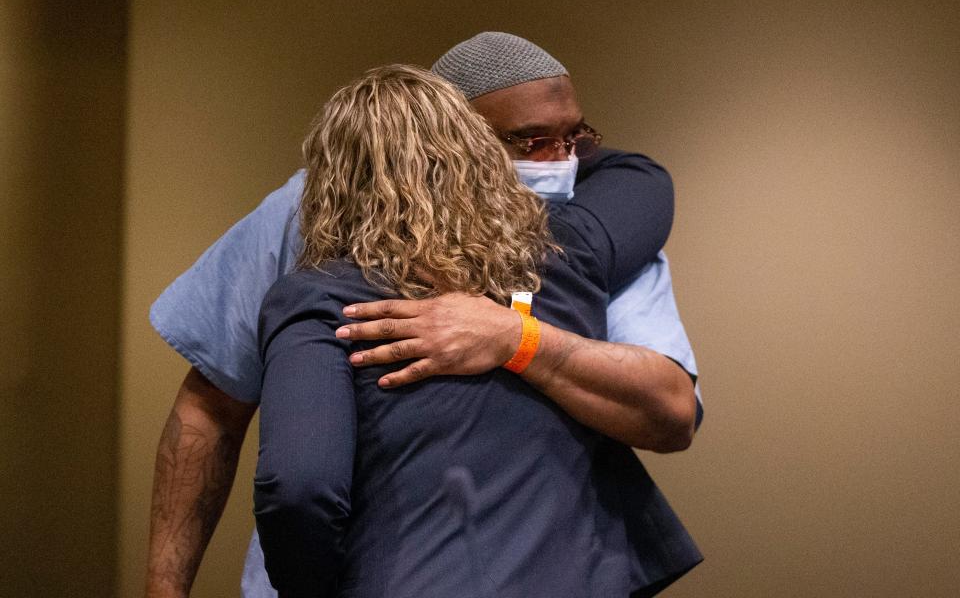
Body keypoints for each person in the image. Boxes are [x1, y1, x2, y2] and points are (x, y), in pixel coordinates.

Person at [144, 32, 701, 598]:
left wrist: (518, 339)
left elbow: (670, 409)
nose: (557, 163)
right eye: (529, 143)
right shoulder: (300, 216)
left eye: (572, 140)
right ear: (451, 137)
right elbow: (213, 410)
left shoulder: (570, 236)